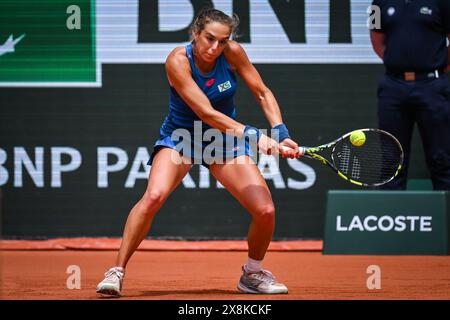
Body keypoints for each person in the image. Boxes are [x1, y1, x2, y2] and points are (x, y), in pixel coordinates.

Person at [96, 8, 301, 296]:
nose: (215, 47)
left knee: (265, 210)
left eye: (222, 41)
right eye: (209, 39)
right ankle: (116, 271)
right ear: (195, 33)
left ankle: (251, 275)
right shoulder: (177, 61)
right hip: (181, 139)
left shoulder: (232, 53)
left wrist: (280, 132)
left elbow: (262, 92)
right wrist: (255, 135)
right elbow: (205, 112)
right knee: (153, 196)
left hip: (223, 143)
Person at [370, 0, 450, 190]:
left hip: (432, 86)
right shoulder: (378, 3)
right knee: (391, 159)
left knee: (442, 157)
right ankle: (391, 216)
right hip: (393, 87)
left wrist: (434, 66)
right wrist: (401, 66)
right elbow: (376, 39)